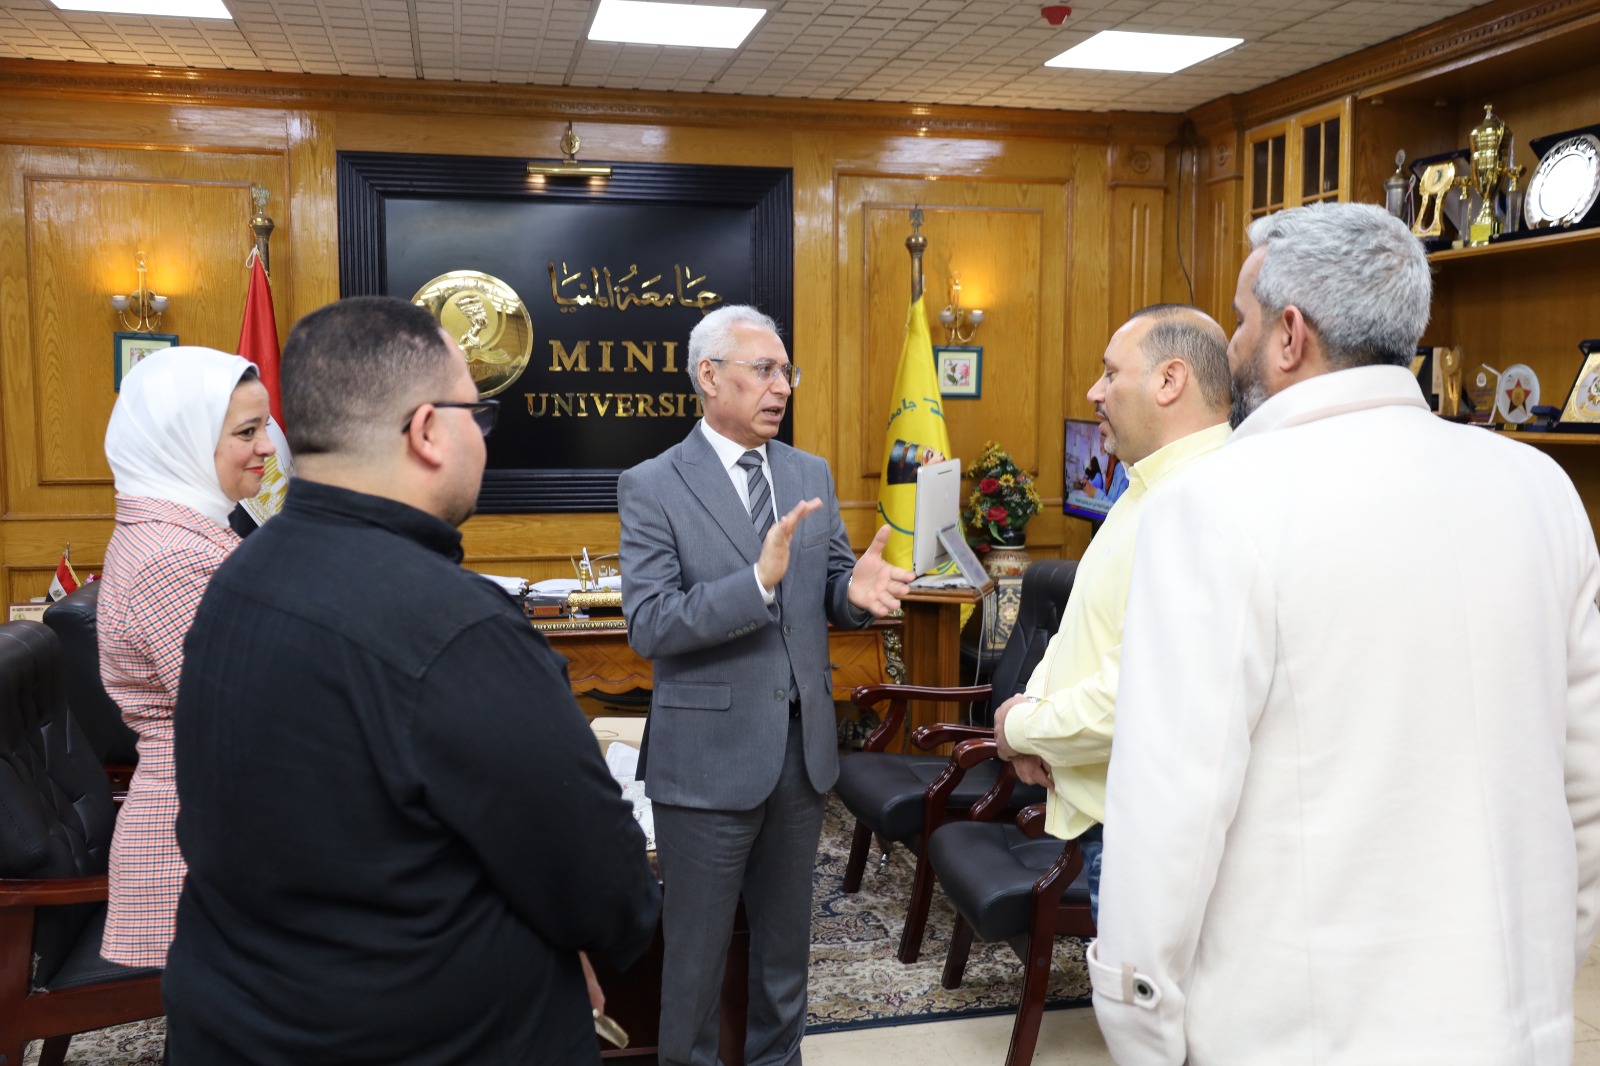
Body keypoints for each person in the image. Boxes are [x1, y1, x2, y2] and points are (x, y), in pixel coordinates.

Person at [1089, 202, 1600, 1065]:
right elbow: (1584, 785)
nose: (1233, 345)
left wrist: (1140, 1026)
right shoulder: (1540, 486)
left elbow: (1170, 811)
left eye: (1243, 322)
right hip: (1515, 1026)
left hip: (1296, 1035)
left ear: (1290, 335)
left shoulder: (1210, 505)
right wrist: (1543, 977)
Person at [165, 297, 661, 1064]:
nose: (483, 437)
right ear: (429, 430)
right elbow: (607, 893)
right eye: (478, 415)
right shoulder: (459, 629)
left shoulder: (238, 576)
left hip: (241, 1022)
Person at [617, 304, 914, 1066]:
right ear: (709, 377)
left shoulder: (806, 473)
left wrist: (856, 593)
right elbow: (650, 624)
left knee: (784, 962)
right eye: (764, 370)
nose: (781, 386)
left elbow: (833, 585)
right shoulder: (652, 484)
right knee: (694, 965)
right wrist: (755, 583)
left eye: (786, 372)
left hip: (800, 758)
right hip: (705, 762)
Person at [991, 304, 1231, 921]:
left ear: (1169, 380)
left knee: (1144, 990)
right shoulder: (1143, 487)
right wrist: (1034, 715)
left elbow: (1141, 693)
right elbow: (1082, 627)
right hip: (1113, 815)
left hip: (1152, 831)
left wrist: (1021, 730)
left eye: (1110, 373)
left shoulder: (1202, 500)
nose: (1094, 393)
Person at [97, 346, 275, 968]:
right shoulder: (173, 557)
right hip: (199, 844)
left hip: (216, 823)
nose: (268, 447)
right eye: (247, 432)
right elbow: (244, 714)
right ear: (183, 440)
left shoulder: (185, 532)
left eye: (264, 427)